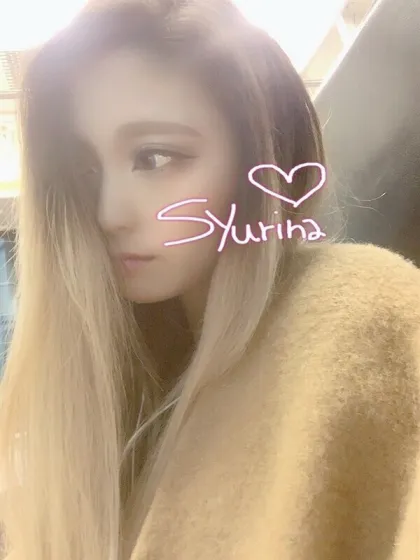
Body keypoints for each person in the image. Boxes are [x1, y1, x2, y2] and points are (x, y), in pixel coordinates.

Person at [0, 0, 419, 559]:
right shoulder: (116, 397)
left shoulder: (362, 317)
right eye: (86, 170)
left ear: (261, 160)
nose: (108, 213)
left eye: (154, 158)